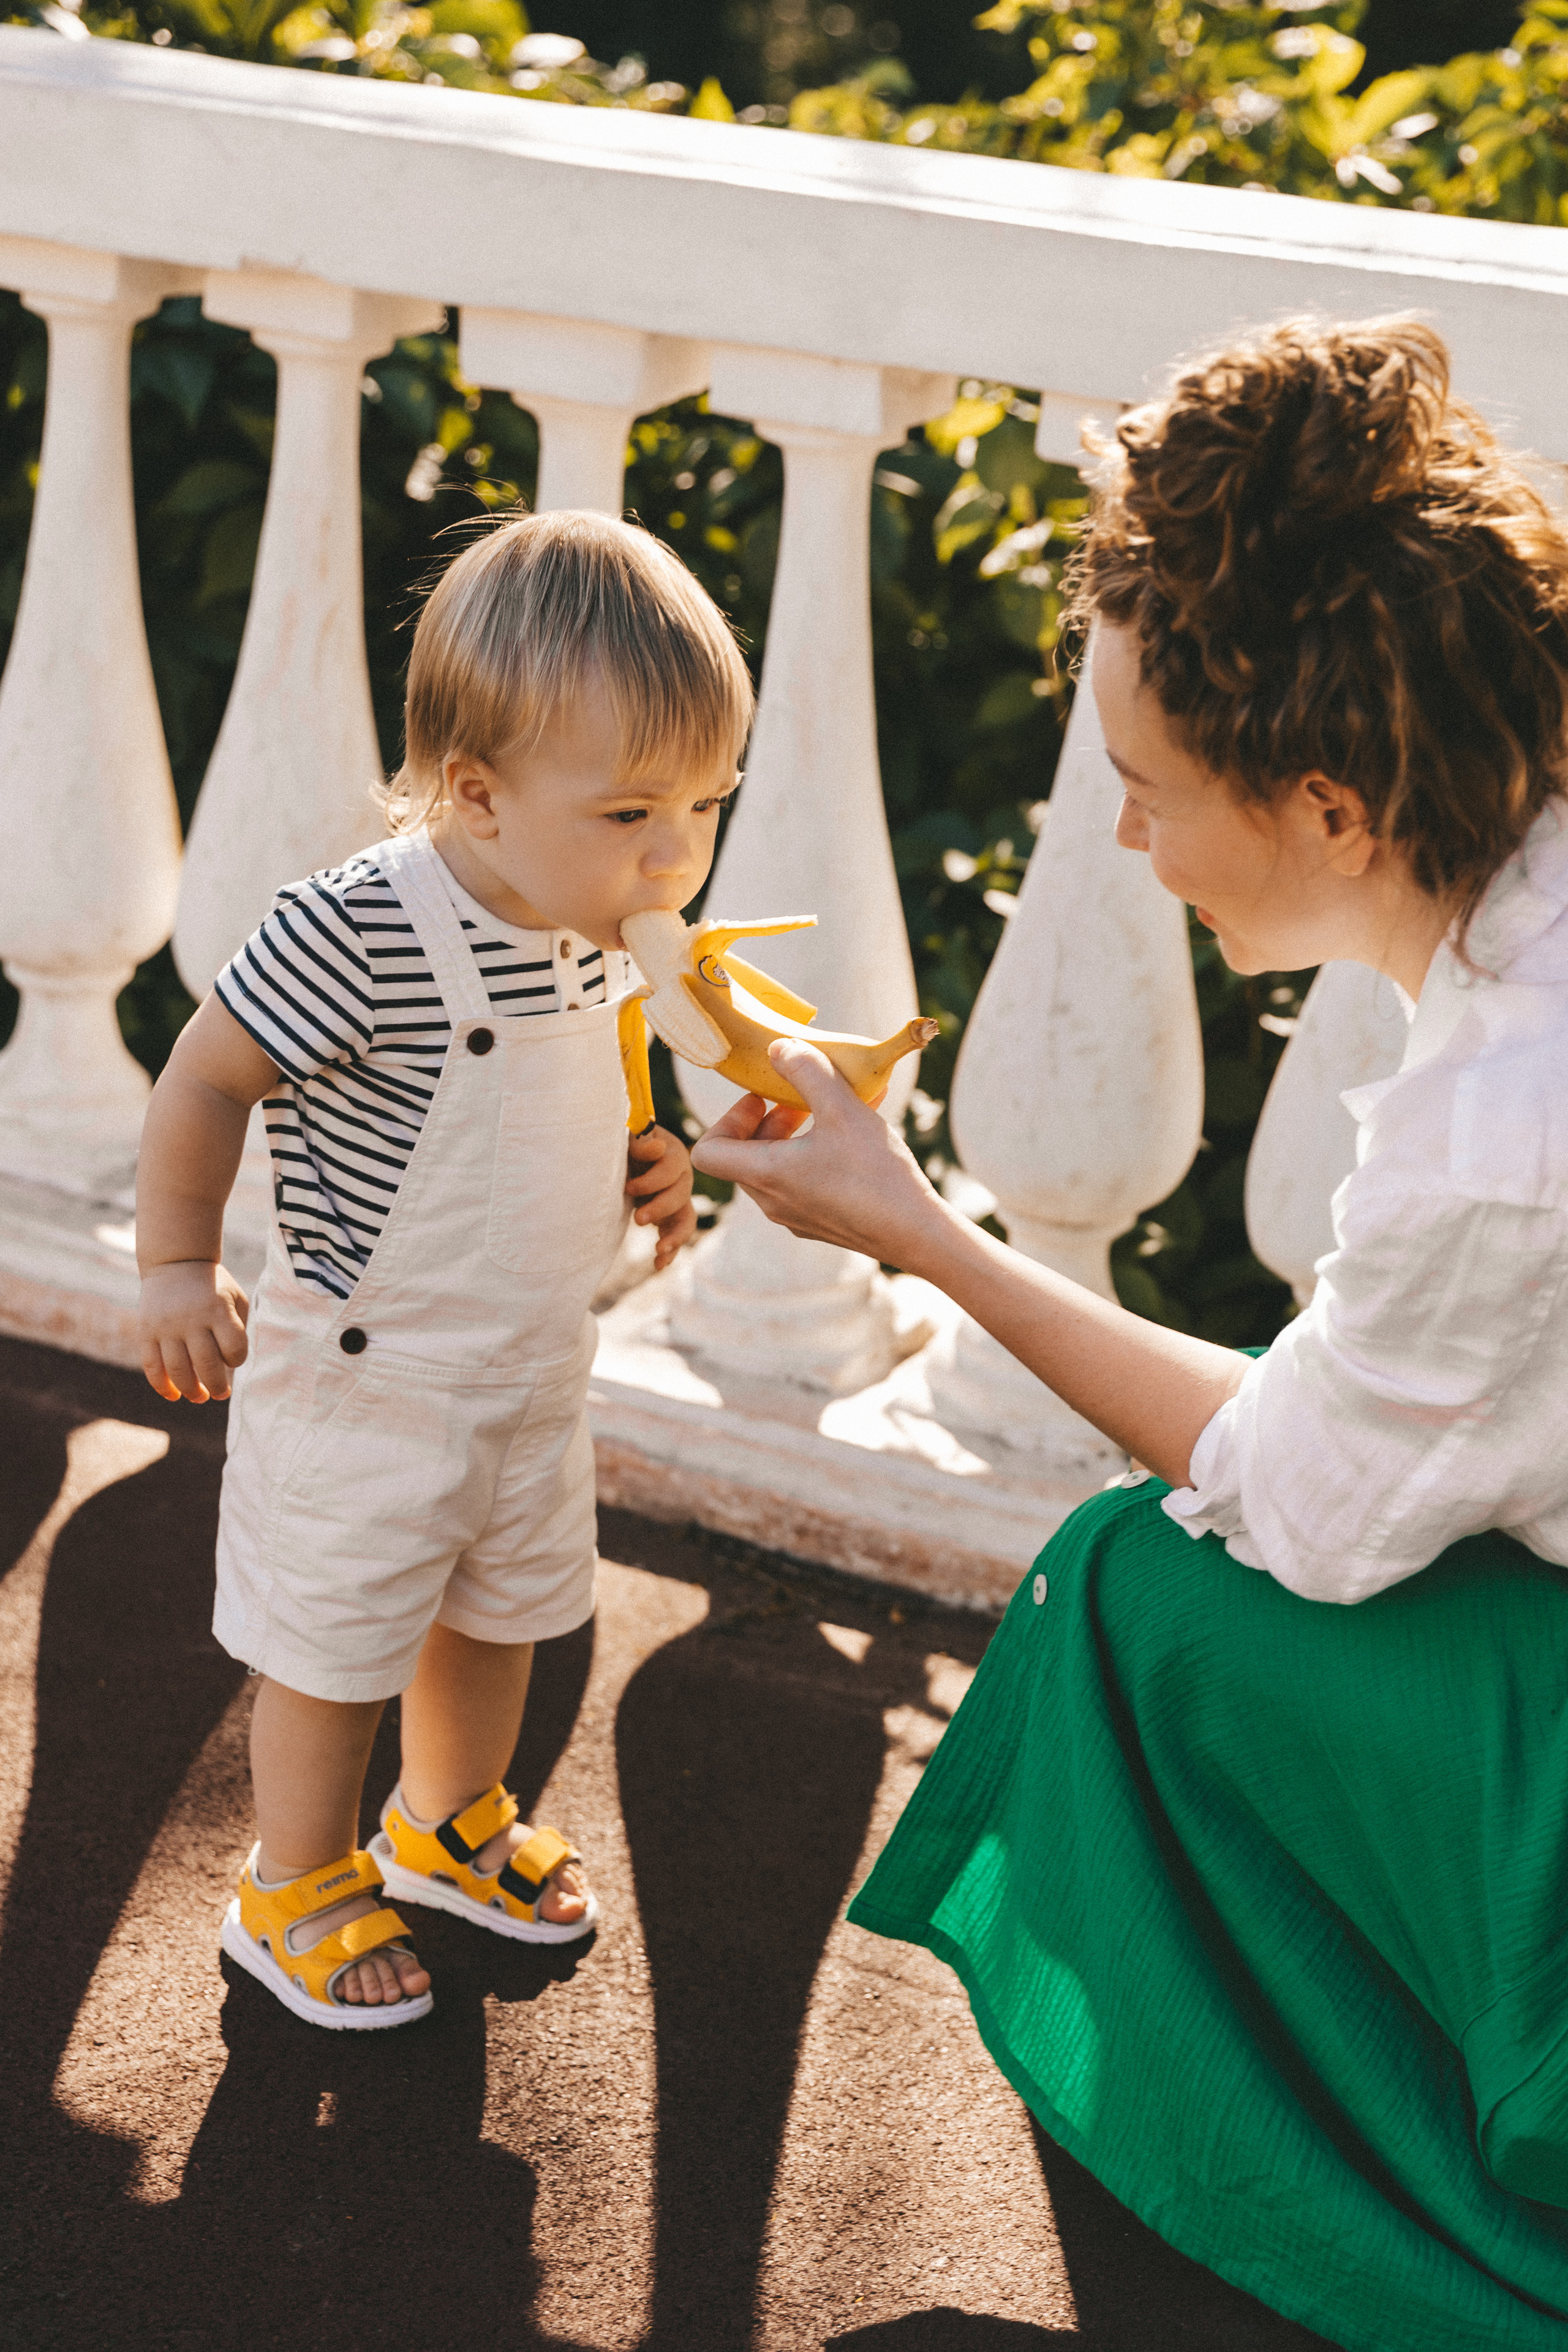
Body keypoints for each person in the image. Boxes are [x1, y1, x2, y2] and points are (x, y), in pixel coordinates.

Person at [693, 318, 1568, 2351]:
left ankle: (1411, 2212)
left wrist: (916, 1229)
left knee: (1126, 1583)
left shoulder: (1499, 1134)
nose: (1122, 840)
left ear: (1338, 809)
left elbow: (1296, 1511)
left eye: (1152, 788)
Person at [135, 511, 750, 2028]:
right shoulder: (354, 927)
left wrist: (650, 1156)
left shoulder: (598, 918)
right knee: (337, 1640)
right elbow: (204, 1078)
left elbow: (595, 1082)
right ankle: (293, 1879)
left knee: (503, 1611)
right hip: (370, 1375)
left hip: (530, 1372)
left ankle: (445, 1815)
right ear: (475, 793)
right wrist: (171, 1262)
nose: (674, 854)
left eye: (704, 806)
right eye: (631, 814)